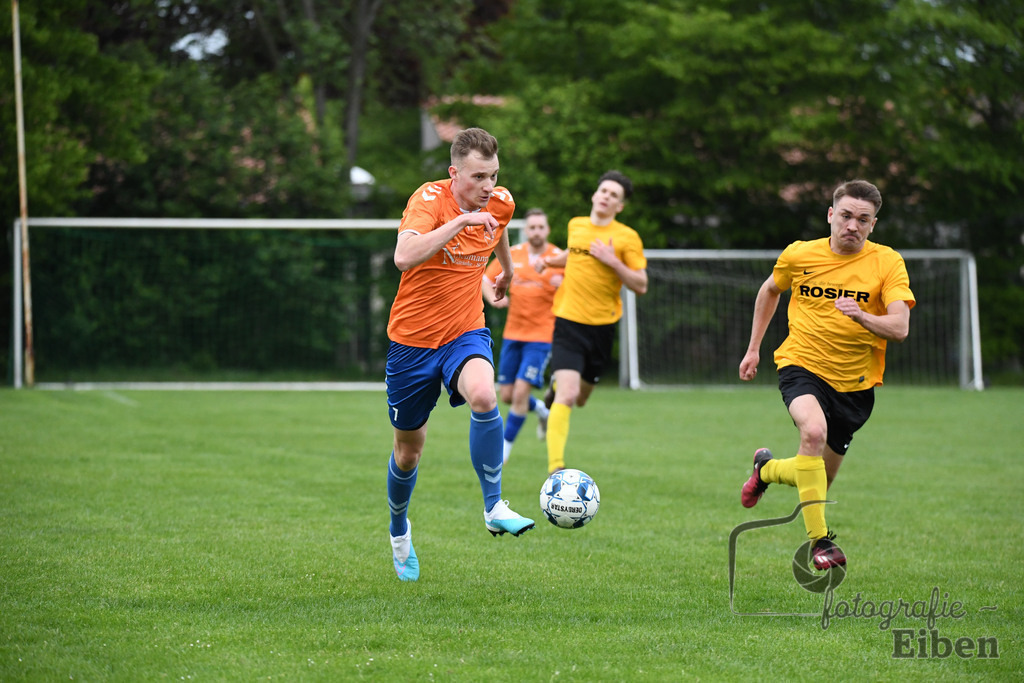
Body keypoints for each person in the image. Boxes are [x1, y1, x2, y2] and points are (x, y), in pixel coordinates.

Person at [738, 179, 915, 570]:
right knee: (813, 434)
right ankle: (820, 543)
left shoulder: (887, 263)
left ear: (873, 224)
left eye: (863, 219)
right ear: (831, 215)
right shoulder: (800, 255)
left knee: (818, 478)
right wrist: (753, 349)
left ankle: (766, 469)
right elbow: (770, 290)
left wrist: (862, 316)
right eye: (846, 215)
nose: (853, 225)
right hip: (801, 365)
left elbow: (900, 327)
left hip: (855, 385)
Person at [385, 127, 535, 583]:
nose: (488, 187)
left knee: (484, 395)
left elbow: (498, 227)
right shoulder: (429, 200)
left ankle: (494, 507)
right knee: (408, 452)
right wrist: (460, 223)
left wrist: (506, 271)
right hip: (411, 343)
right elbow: (403, 256)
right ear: (454, 173)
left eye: (494, 175)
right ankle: (399, 531)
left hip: (464, 331)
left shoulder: (500, 201)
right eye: (478, 177)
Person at [539, 170, 648, 474]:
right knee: (568, 394)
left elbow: (641, 284)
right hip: (568, 321)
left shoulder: (626, 237)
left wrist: (612, 261)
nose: (606, 197)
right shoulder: (576, 225)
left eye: (614, 195)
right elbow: (574, 253)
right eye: (604, 191)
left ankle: (555, 388)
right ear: (594, 195)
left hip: (601, 327)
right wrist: (550, 261)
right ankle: (556, 468)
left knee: (580, 398)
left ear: (620, 206)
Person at [482, 208, 564, 465]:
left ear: (547, 230)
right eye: (532, 227)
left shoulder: (558, 258)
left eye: (541, 227)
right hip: (513, 334)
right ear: (526, 230)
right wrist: (494, 298)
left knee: (519, 394)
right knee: (507, 395)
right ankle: (541, 409)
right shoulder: (513, 253)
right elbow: (484, 278)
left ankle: (503, 449)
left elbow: (578, 288)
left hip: (541, 337)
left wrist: (564, 286)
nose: (536, 231)